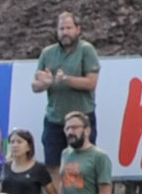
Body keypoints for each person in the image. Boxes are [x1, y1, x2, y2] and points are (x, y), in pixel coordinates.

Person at [31, 10, 100, 151]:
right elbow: (35, 85)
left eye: (69, 28)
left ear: (78, 29)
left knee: (83, 162)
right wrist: (45, 84)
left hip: (81, 119)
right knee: (53, 164)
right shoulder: (47, 53)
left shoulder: (86, 50)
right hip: (54, 119)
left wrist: (66, 79)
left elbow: (91, 83)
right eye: (61, 29)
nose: (65, 32)